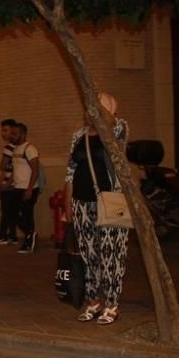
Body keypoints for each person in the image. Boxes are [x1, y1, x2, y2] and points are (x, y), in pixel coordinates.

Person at [64, 93, 129, 325]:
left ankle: (112, 304)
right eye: (89, 107)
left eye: (96, 108)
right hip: (82, 203)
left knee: (112, 255)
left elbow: (117, 126)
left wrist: (105, 111)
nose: (90, 111)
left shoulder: (117, 131)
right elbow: (70, 172)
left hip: (112, 200)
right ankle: (93, 302)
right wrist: (68, 204)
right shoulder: (78, 136)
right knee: (89, 254)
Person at [11, 123, 41, 253]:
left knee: (27, 215)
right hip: (17, 187)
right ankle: (31, 234)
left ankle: (29, 241)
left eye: (15, 133)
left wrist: (29, 189)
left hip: (28, 188)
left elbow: (35, 170)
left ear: (22, 134)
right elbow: (16, 170)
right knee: (12, 213)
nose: (12, 136)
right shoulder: (15, 149)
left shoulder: (29, 148)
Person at [0, 119, 18, 245]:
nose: (3, 133)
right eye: (2, 130)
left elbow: (3, 166)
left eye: (5, 130)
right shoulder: (18, 146)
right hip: (14, 184)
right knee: (11, 211)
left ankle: (3, 235)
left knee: (7, 211)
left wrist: (5, 184)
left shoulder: (9, 148)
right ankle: (10, 235)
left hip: (10, 185)